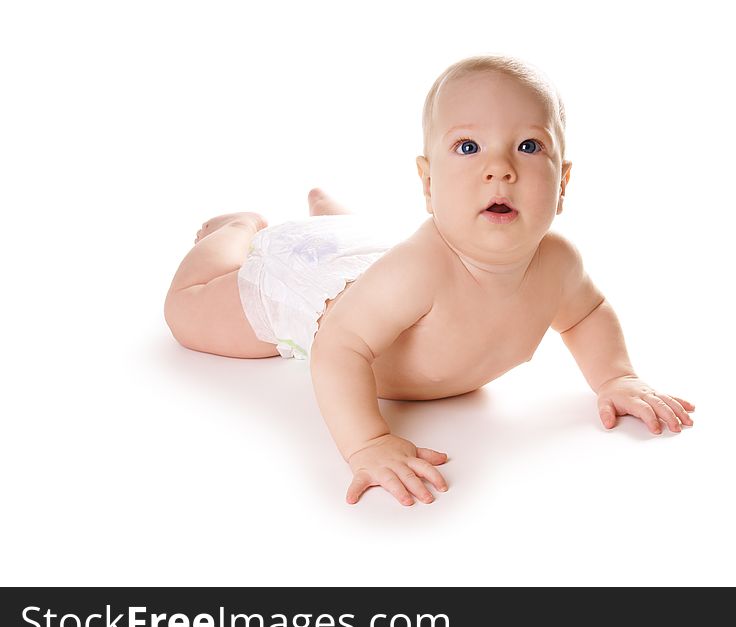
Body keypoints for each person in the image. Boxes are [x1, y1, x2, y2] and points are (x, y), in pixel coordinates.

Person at [164, 54, 695, 507]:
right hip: (311, 292)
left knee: (367, 247)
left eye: (529, 147)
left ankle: (334, 221)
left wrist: (616, 377)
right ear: (427, 181)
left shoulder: (558, 263)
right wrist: (367, 442)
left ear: (564, 182)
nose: (501, 169)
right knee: (187, 314)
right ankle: (236, 229)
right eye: (469, 148)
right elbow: (338, 346)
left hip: (371, 260)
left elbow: (586, 314)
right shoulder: (421, 267)